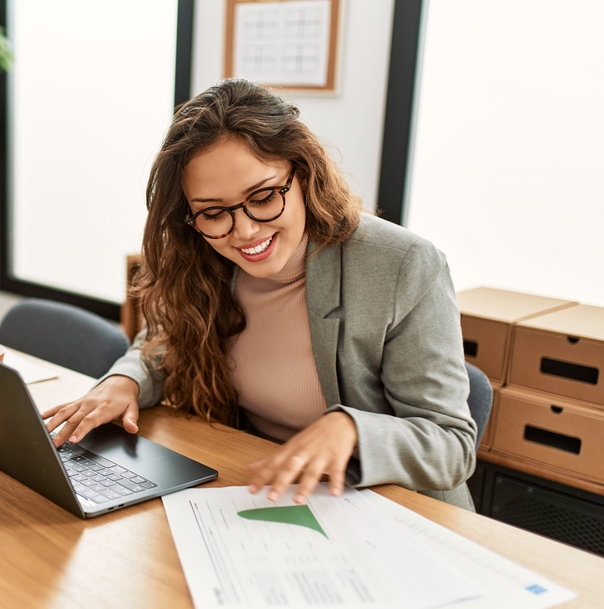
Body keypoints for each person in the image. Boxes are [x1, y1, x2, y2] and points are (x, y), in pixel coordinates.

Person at [43, 79, 477, 511]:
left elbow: (452, 446)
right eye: (213, 213)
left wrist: (352, 429)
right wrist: (125, 380)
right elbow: (165, 340)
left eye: (265, 196)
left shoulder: (403, 264)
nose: (245, 231)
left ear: (303, 173)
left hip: (395, 513)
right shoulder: (204, 257)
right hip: (266, 492)